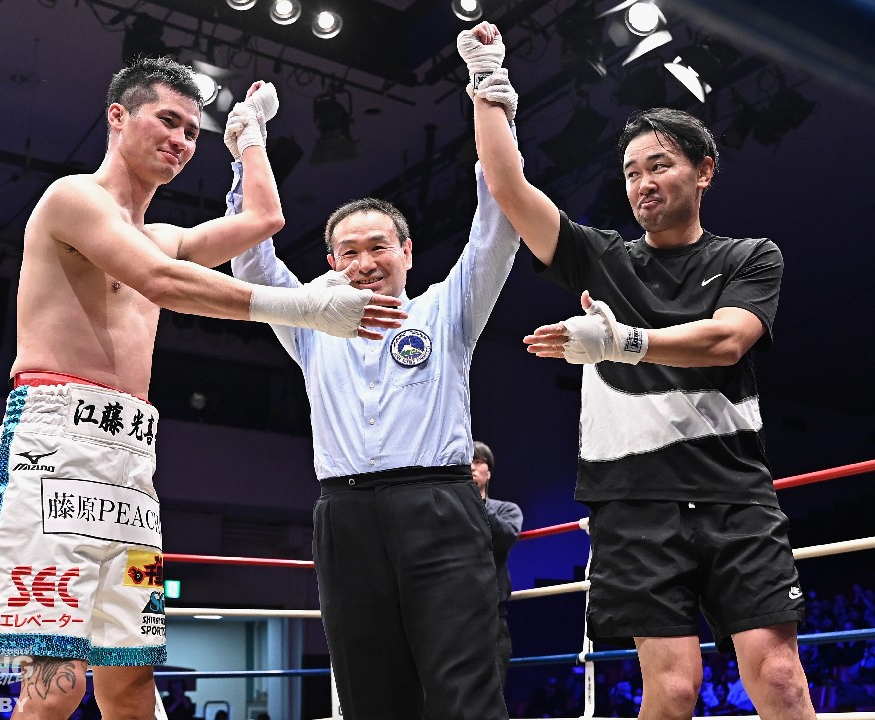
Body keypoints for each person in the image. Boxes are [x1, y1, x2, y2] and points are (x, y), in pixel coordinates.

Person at [0, 57, 405, 720]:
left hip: (131, 469)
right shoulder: (73, 199)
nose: (182, 140)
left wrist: (248, 138)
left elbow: (265, 218)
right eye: (167, 120)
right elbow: (160, 283)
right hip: (52, 453)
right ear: (117, 116)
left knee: (131, 683)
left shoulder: (164, 237)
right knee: (55, 683)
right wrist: (306, 307)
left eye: (192, 130)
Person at [466, 25, 817, 720]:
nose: (642, 183)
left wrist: (617, 341)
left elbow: (727, 342)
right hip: (631, 501)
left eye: (659, 165)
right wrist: (487, 83)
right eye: (630, 172)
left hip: (734, 493)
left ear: (704, 170)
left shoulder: (750, 257)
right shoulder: (602, 259)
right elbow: (507, 185)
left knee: (780, 677)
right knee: (674, 689)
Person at [228, 22, 519, 720]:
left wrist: (489, 88)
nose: (365, 262)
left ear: (407, 252)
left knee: (466, 691)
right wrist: (247, 145)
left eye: (379, 247)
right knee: (368, 697)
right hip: (346, 515)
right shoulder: (310, 321)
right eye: (350, 252)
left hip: (439, 506)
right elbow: (252, 263)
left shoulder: (446, 309)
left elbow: (498, 220)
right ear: (332, 262)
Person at [472, 440, 524, 689]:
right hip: (454, 612)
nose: (471, 467)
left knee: (493, 691)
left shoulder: (507, 510)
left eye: (477, 461)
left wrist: (476, 503)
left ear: (488, 471)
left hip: (492, 613)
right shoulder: (449, 512)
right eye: (466, 463)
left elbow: (506, 537)